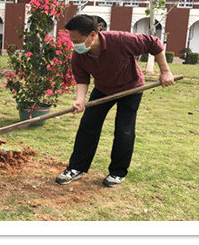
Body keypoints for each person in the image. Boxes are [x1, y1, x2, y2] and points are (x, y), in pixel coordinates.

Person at [55, 14, 175, 188]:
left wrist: (165, 71)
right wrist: (79, 100)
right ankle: (76, 168)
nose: (75, 45)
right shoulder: (79, 55)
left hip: (131, 88)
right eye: (72, 41)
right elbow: (82, 79)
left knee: (123, 130)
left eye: (78, 40)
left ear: (93, 35)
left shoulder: (120, 40)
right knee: (88, 125)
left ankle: (117, 172)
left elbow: (154, 43)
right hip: (103, 89)